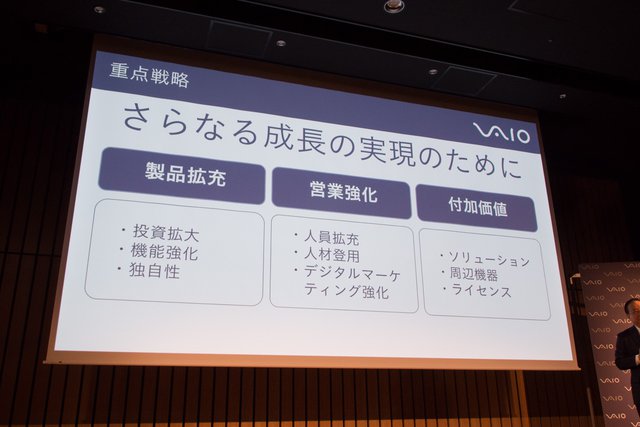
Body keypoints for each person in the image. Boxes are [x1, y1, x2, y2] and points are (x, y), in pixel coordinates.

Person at [615, 297, 640, 416]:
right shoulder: (624, 337)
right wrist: (638, 358)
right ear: (628, 316)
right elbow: (620, 362)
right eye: (636, 311)